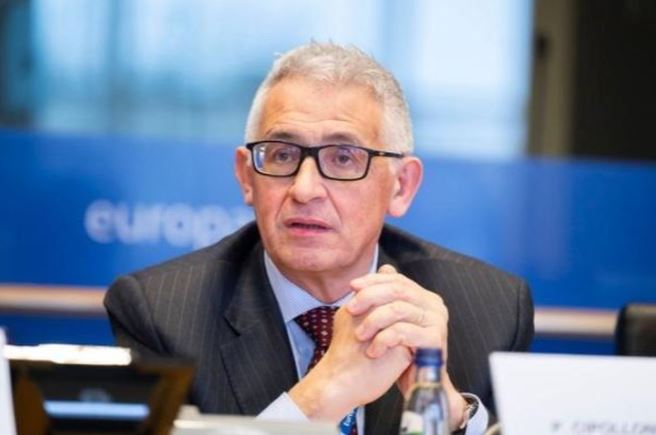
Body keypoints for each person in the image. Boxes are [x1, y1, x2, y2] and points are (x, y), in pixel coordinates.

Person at [104, 42, 533, 435]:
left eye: (343, 158)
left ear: (402, 186)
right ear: (247, 177)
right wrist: (325, 392)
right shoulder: (161, 314)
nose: (305, 189)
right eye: (282, 155)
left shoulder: (489, 309)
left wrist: (452, 419)